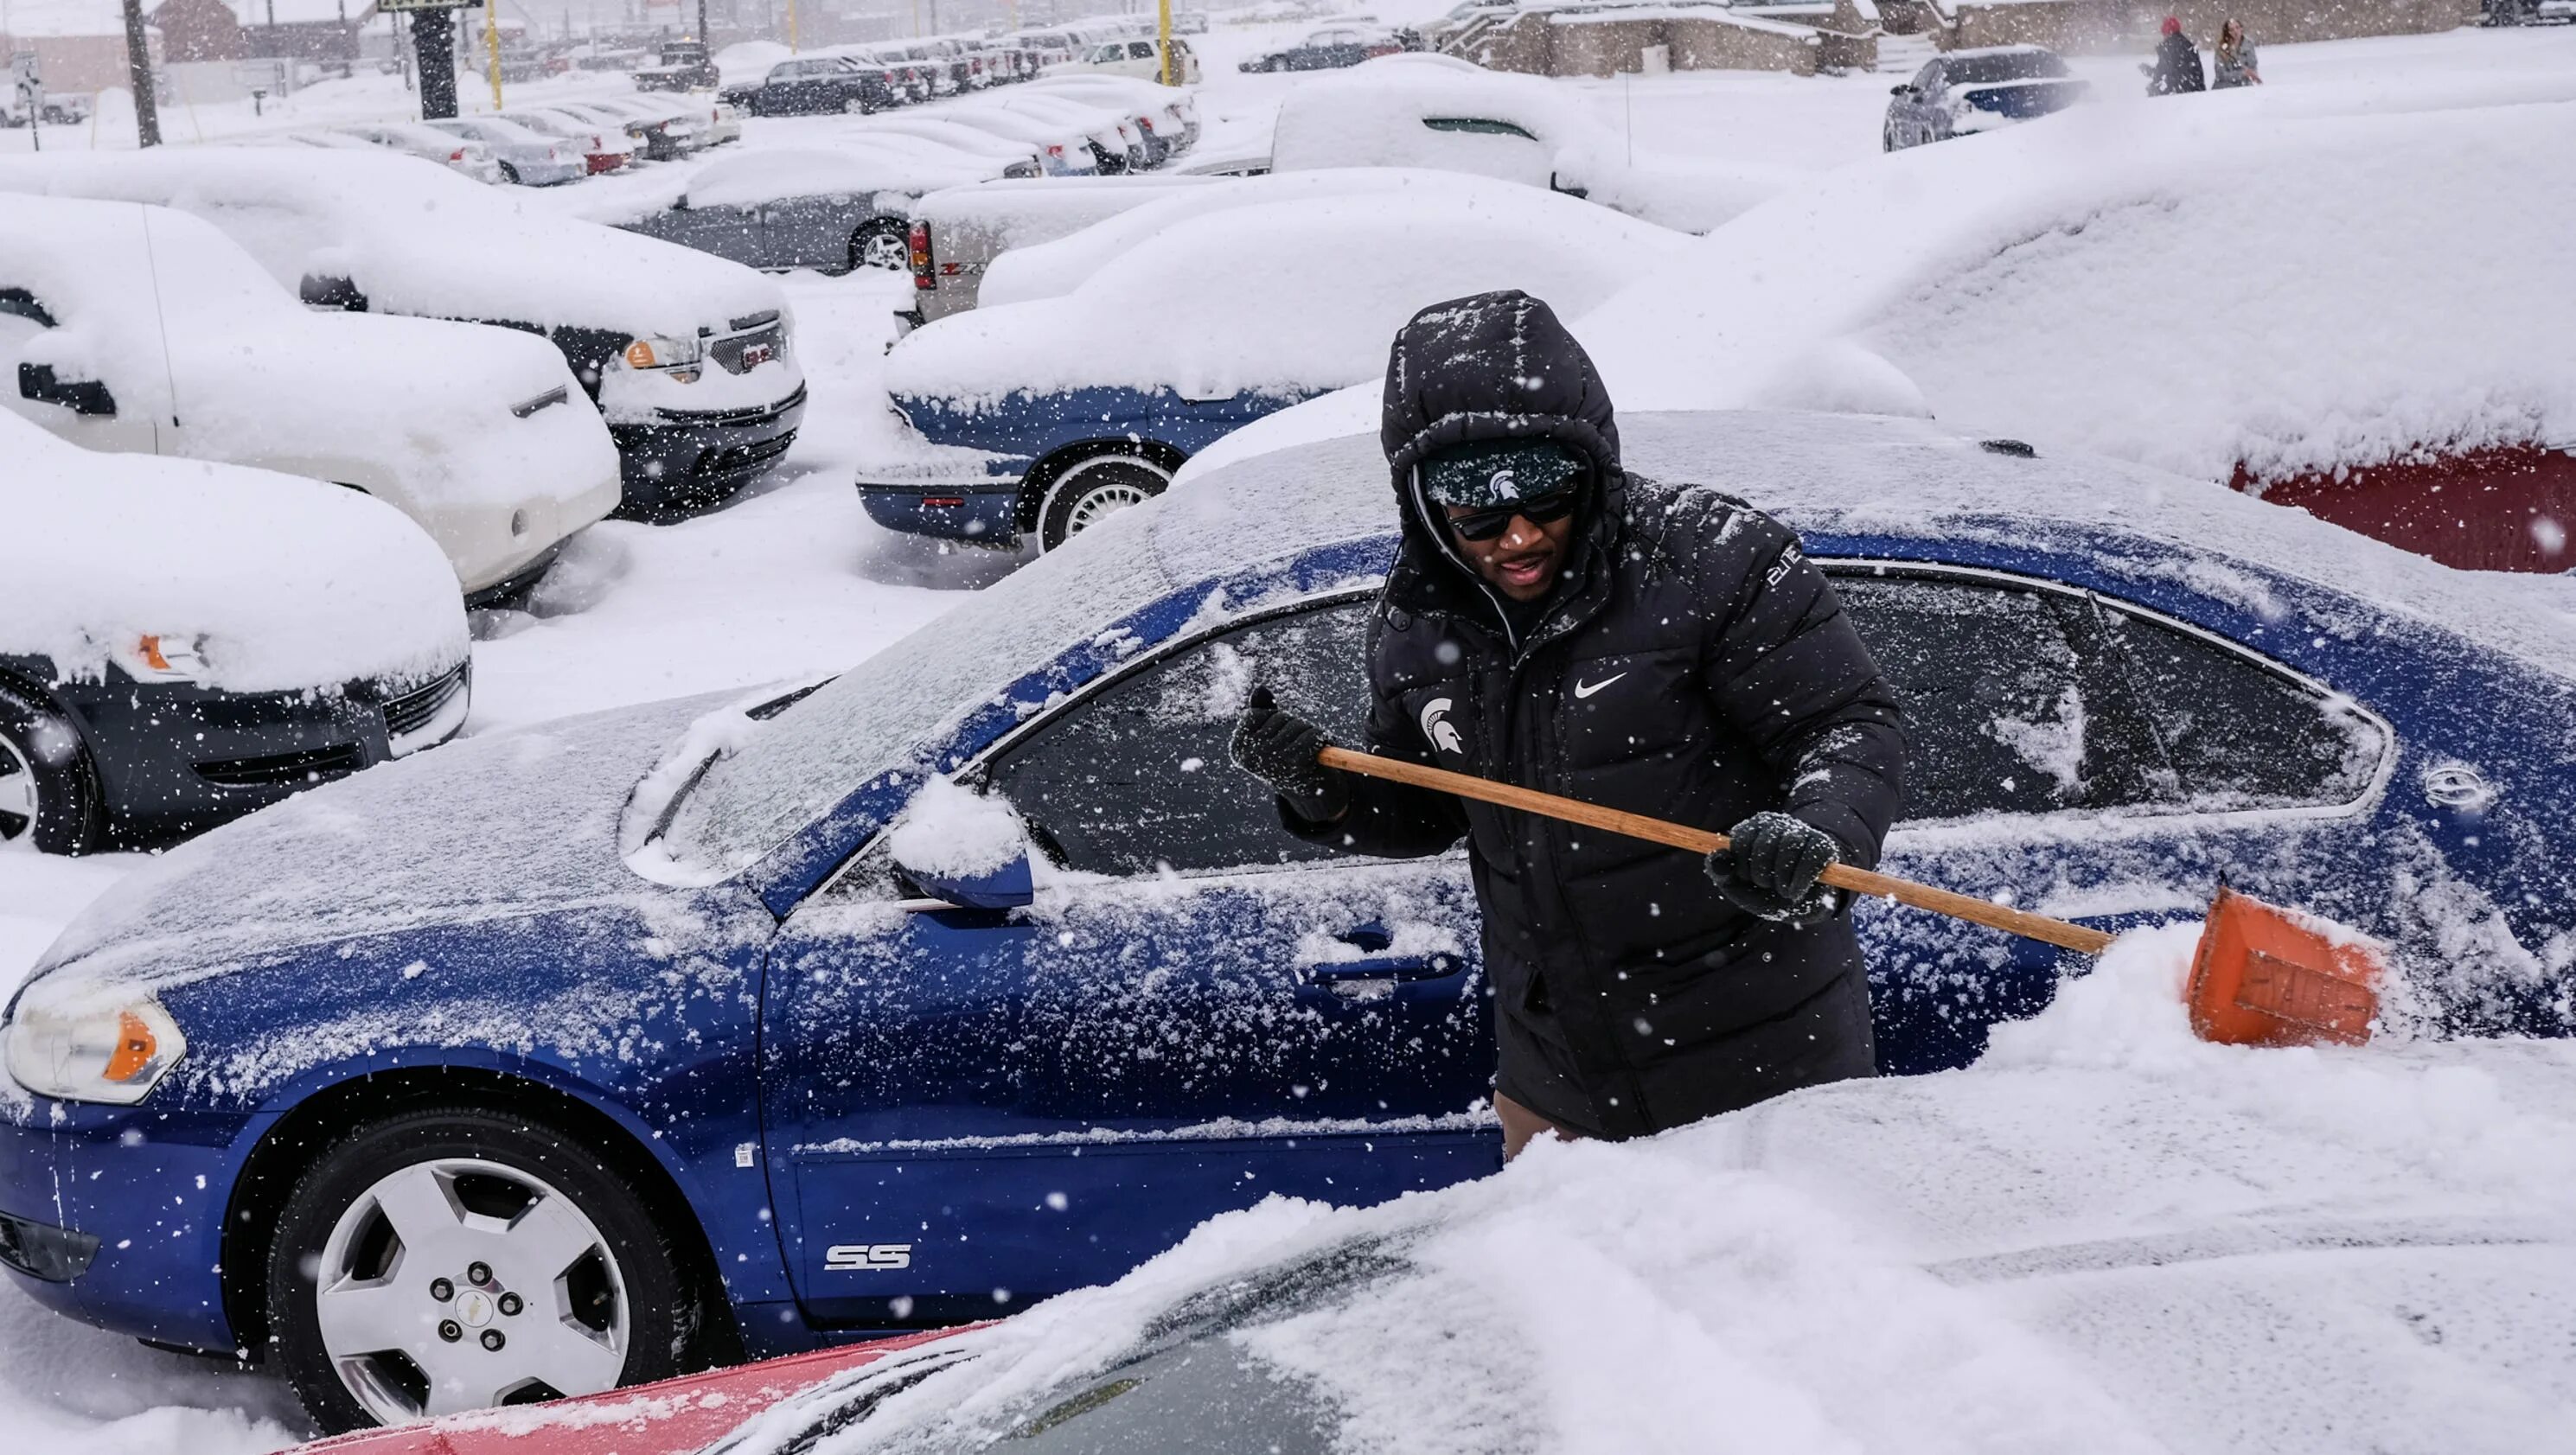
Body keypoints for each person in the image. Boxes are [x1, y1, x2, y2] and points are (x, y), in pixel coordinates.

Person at [1228, 290, 1908, 1159]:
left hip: (1759, 1069)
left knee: (1772, 1294)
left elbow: (1847, 723)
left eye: (1543, 491)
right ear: (1423, 502)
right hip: (1558, 1080)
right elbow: (1431, 806)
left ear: (1592, 462)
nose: (1515, 533)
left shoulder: (1715, 565)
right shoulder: (1417, 624)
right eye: (1474, 503)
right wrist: (1324, 790)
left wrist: (1819, 837)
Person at [2144, 15, 2206, 95]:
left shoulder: (2169, 47)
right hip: (2195, 89)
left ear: (2167, 32)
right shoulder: (2187, 45)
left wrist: (2149, 72)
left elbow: (2162, 72)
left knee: (2153, 91)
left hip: (2178, 92)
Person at [2213, 18, 2261, 87]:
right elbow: (2221, 75)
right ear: (2227, 33)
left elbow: (2253, 66)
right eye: (2231, 30)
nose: (2235, 31)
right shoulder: (2221, 49)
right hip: (2225, 88)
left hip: (2245, 87)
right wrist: (2242, 74)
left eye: (2237, 28)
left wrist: (2252, 75)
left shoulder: (2248, 45)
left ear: (2241, 29)